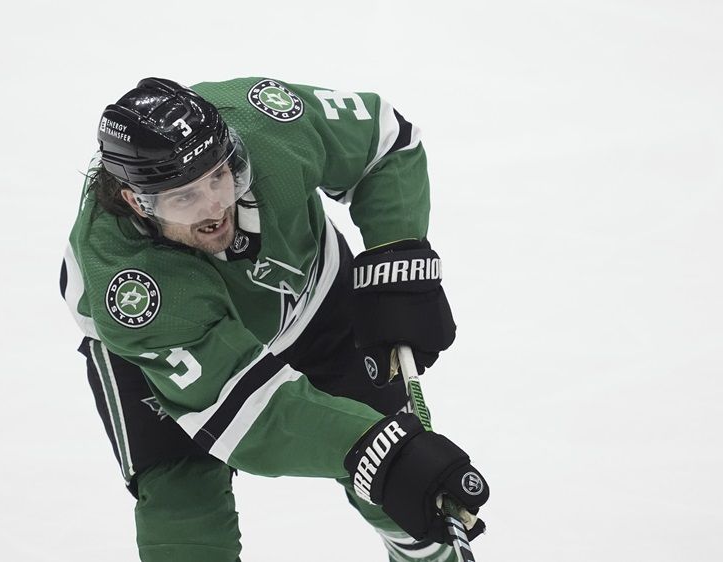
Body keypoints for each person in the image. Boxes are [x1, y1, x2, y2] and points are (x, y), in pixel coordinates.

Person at [60, 77, 489, 562]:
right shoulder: (131, 293)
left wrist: (398, 255)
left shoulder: (268, 122)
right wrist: (373, 448)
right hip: (163, 358)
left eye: (219, 177)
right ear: (137, 202)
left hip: (314, 299)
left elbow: (385, 142)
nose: (215, 206)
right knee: (186, 530)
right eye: (184, 197)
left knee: (410, 492)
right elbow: (248, 415)